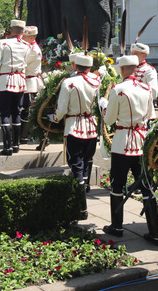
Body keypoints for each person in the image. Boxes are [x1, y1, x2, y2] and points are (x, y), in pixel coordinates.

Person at [102, 55, 158, 245]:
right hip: (142, 142)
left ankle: (117, 226)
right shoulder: (146, 89)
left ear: (121, 70)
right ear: (135, 69)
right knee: (146, 186)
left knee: (117, 184)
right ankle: (155, 232)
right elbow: (151, 115)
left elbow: (109, 120)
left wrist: (104, 107)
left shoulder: (118, 90)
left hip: (122, 143)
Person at [50, 53, 99, 219]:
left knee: (76, 166)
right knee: (86, 163)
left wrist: (54, 118)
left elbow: (62, 107)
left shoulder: (68, 82)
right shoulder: (97, 81)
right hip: (92, 127)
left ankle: (82, 208)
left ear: (75, 66)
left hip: (74, 128)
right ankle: (83, 195)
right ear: (90, 67)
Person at [0, 20, 29, 155]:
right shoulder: (26, 45)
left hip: (5, 81)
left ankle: (7, 147)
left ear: (11, 30)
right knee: (17, 112)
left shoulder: (3, 43)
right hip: (20, 82)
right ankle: (16, 145)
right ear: (23, 32)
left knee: (4, 113)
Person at [20, 25, 43, 145]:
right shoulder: (31, 47)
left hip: (30, 83)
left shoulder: (31, 49)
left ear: (31, 37)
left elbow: (22, 64)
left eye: (25, 36)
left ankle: (25, 137)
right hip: (32, 82)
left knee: (28, 111)